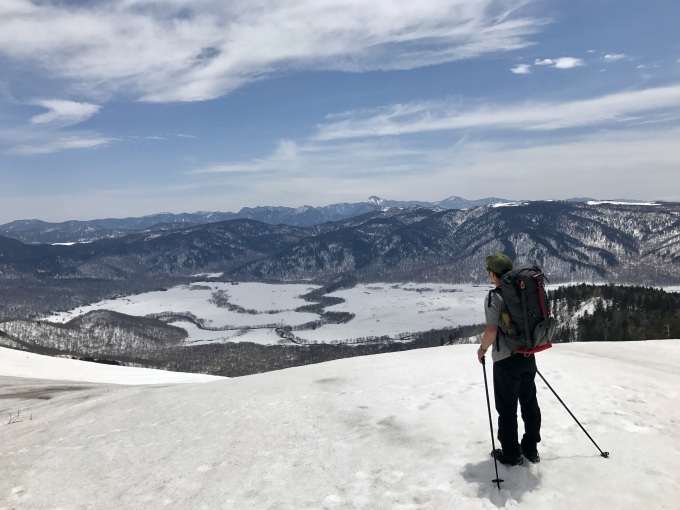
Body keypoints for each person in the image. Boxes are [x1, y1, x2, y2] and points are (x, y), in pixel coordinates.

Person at [477, 253, 541, 466]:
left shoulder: (494, 297)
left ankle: (511, 453)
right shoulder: (523, 290)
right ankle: (531, 448)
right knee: (529, 402)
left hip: (506, 359)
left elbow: (491, 330)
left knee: (506, 408)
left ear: (492, 273)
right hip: (528, 355)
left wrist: (482, 349)